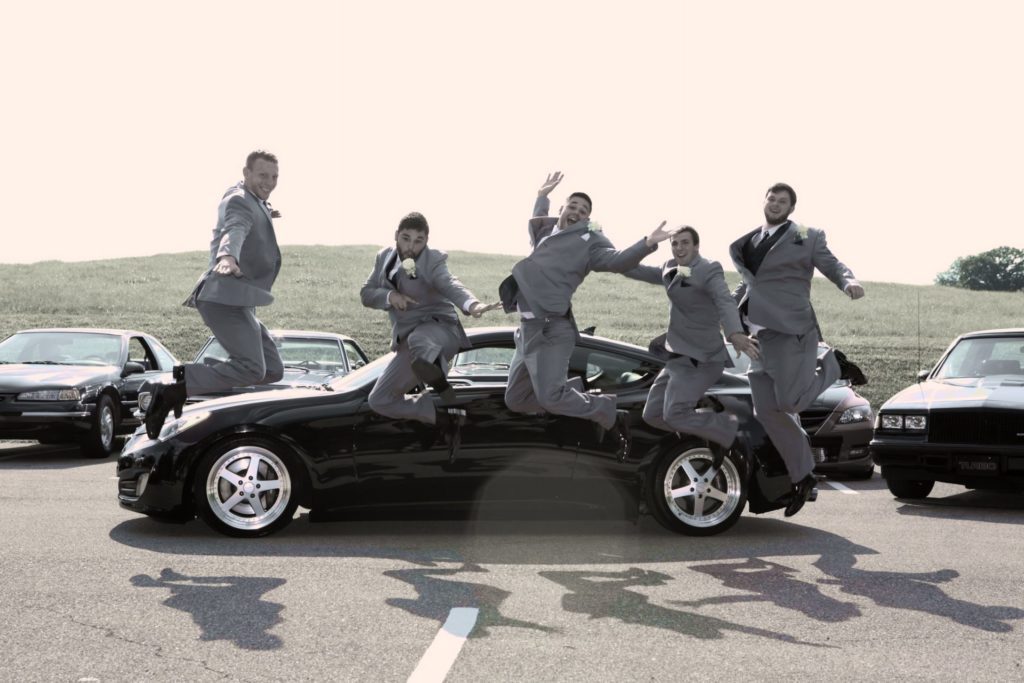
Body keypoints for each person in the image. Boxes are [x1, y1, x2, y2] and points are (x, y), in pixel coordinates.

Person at [498, 171, 680, 460]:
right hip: (527, 330)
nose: (577, 213)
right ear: (562, 209)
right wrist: (542, 195)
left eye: (583, 212)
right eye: (572, 206)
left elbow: (619, 261)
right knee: (516, 399)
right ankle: (575, 392)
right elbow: (539, 217)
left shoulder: (590, 243)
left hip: (551, 330)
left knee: (549, 397)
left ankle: (607, 411)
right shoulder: (546, 233)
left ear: (587, 220)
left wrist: (647, 242)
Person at [729, 182, 866, 517]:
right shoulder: (750, 241)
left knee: (789, 401)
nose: (775, 204)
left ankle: (832, 364)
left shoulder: (806, 235)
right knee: (767, 411)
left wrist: (847, 281)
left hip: (790, 329)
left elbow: (831, 263)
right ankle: (803, 477)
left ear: (791, 208)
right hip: (758, 338)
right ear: (764, 201)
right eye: (771, 198)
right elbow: (748, 285)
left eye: (783, 201)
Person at [143, 150, 285, 438]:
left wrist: (266, 212)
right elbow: (234, 228)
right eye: (262, 176)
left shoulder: (247, 196)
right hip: (223, 299)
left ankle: (187, 382)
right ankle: (171, 390)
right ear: (246, 173)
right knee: (251, 369)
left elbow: (247, 212)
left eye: (274, 177)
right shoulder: (239, 201)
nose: (269, 182)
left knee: (272, 369)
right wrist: (228, 257)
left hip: (239, 301)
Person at [626, 227, 760, 462]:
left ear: (696, 246)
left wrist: (734, 333)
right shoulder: (669, 268)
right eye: (675, 243)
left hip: (702, 358)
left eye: (685, 243)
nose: (679, 248)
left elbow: (724, 300)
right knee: (653, 414)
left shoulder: (708, 269)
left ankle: (726, 426)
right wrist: (646, 244)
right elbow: (630, 268)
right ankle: (708, 437)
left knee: (675, 414)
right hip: (677, 356)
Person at [360, 212, 498, 440]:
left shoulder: (432, 260)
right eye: (406, 238)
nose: (411, 247)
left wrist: (471, 304)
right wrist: (390, 296)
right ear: (396, 235)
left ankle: (436, 372)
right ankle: (442, 416)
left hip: (440, 330)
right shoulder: (383, 256)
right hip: (409, 340)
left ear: (426, 241)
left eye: (418, 241)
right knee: (379, 400)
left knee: (420, 341)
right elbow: (366, 294)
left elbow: (449, 283)